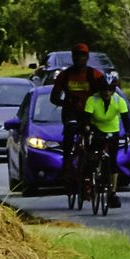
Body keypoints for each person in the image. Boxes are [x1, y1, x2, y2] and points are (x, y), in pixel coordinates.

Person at [49, 44, 107, 186]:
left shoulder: (96, 75)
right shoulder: (65, 75)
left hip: (91, 113)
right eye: (76, 55)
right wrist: (66, 102)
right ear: (72, 57)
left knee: (97, 135)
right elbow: (54, 97)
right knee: (70, 130)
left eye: (82, 55)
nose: (79, 58)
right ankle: (67, 164)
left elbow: (106, 95)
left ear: (87, 57)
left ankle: (94, 163)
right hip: (72, 112)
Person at [82, 74, 130, 207]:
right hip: (96, 128)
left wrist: (128, 132)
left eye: (110, 90)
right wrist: (87, 128)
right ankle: (88, 181)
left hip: (112, 130)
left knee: (113, 162)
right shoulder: (92, 100)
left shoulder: (119, 101)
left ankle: (112, 193)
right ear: (100, 89)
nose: (107, 93)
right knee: (91, 157)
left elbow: (126, 119)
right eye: (104, 89)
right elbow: (86, 117)